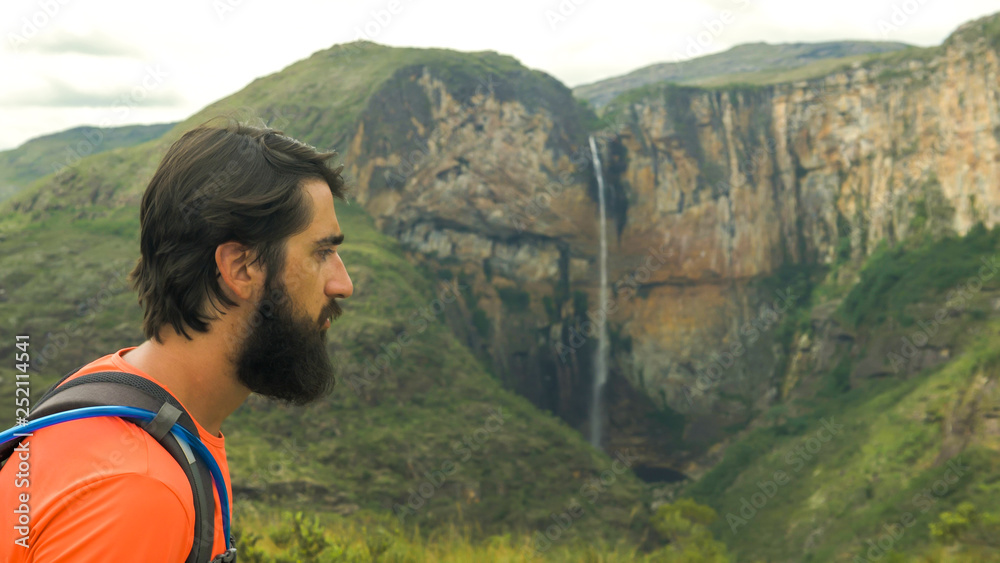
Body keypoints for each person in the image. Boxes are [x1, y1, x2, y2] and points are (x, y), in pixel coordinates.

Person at [0, 118, 353, 561]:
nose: (343, 284)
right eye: (322, 252)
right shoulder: (137, 490)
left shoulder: (109, 389)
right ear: (240, 268)